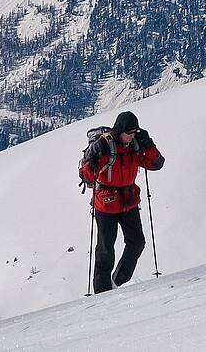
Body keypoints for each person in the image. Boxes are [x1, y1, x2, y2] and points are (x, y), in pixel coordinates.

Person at [79, 110, 163, 293]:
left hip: (128, 202)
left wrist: (149, 145)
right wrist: (93, 157)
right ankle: (102, 293)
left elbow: (156, 164)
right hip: (106, 205)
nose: (131, 136)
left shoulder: (135, 145)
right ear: (119, 130)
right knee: (105, 251)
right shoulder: (107, 146)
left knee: (137, 242)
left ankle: (117, 282)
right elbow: (86, 175)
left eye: (134, 133)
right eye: (128, 133)